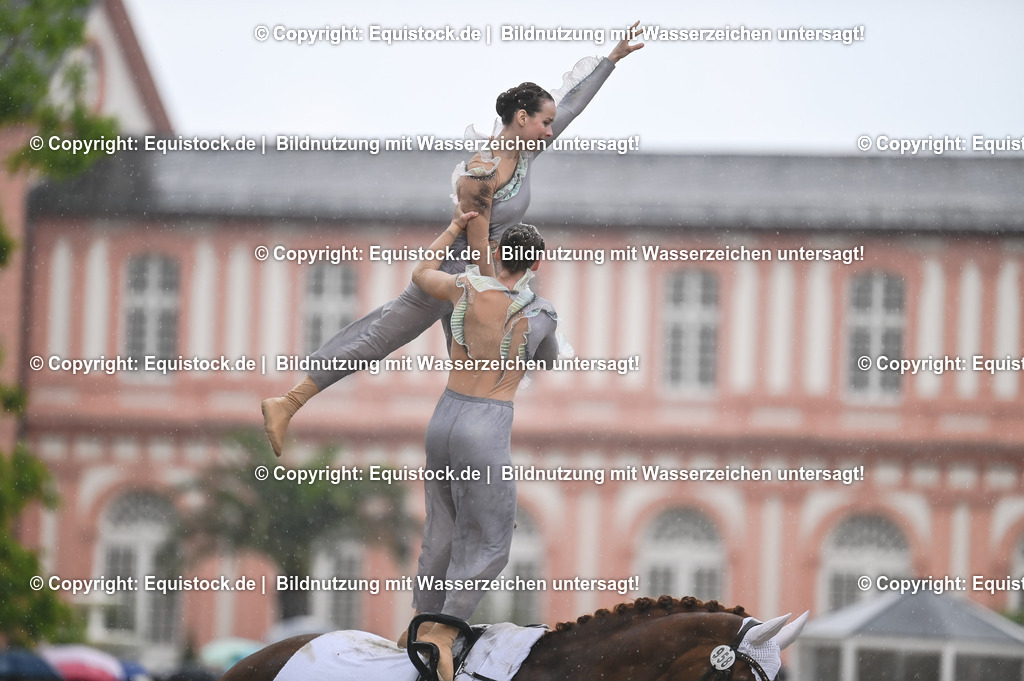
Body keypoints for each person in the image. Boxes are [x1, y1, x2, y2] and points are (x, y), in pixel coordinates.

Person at [261, 26, 644, 456]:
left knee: (472, 375)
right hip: (456, 277)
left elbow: (571, 105)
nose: (551, 131)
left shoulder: (524, 154)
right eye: (545, 123)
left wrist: (611, 59)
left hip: (478, 280)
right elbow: (478, 247)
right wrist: (493, 297)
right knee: (380, 338)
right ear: (522, 118)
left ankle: (467, 463)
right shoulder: (482, 174)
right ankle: (288, 403)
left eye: (551, 124)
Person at [400, 210, 557, 681]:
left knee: (441, 528)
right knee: (491, 540)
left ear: (500, 253)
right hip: (486, 423)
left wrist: (453, 227)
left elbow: (420, 273)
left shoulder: (463, 286)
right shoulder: (541, 312)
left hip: (444, 415)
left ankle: (419, 623)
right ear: (535, 264)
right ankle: (442, 635)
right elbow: (547, 360)